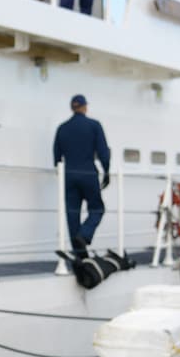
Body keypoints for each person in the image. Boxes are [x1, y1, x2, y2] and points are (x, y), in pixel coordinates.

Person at [53, 93, 110, 253]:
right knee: (97, 208)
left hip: (69, 175)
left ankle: (79, 255)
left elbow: (57, 158)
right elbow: (103, 152)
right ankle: (85, 234)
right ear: (85, 107)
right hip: (88, 174)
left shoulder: (62, 129)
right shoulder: (94, 125)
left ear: (72, 108)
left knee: (72, 215)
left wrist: (63, 175)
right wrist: (106, 171)